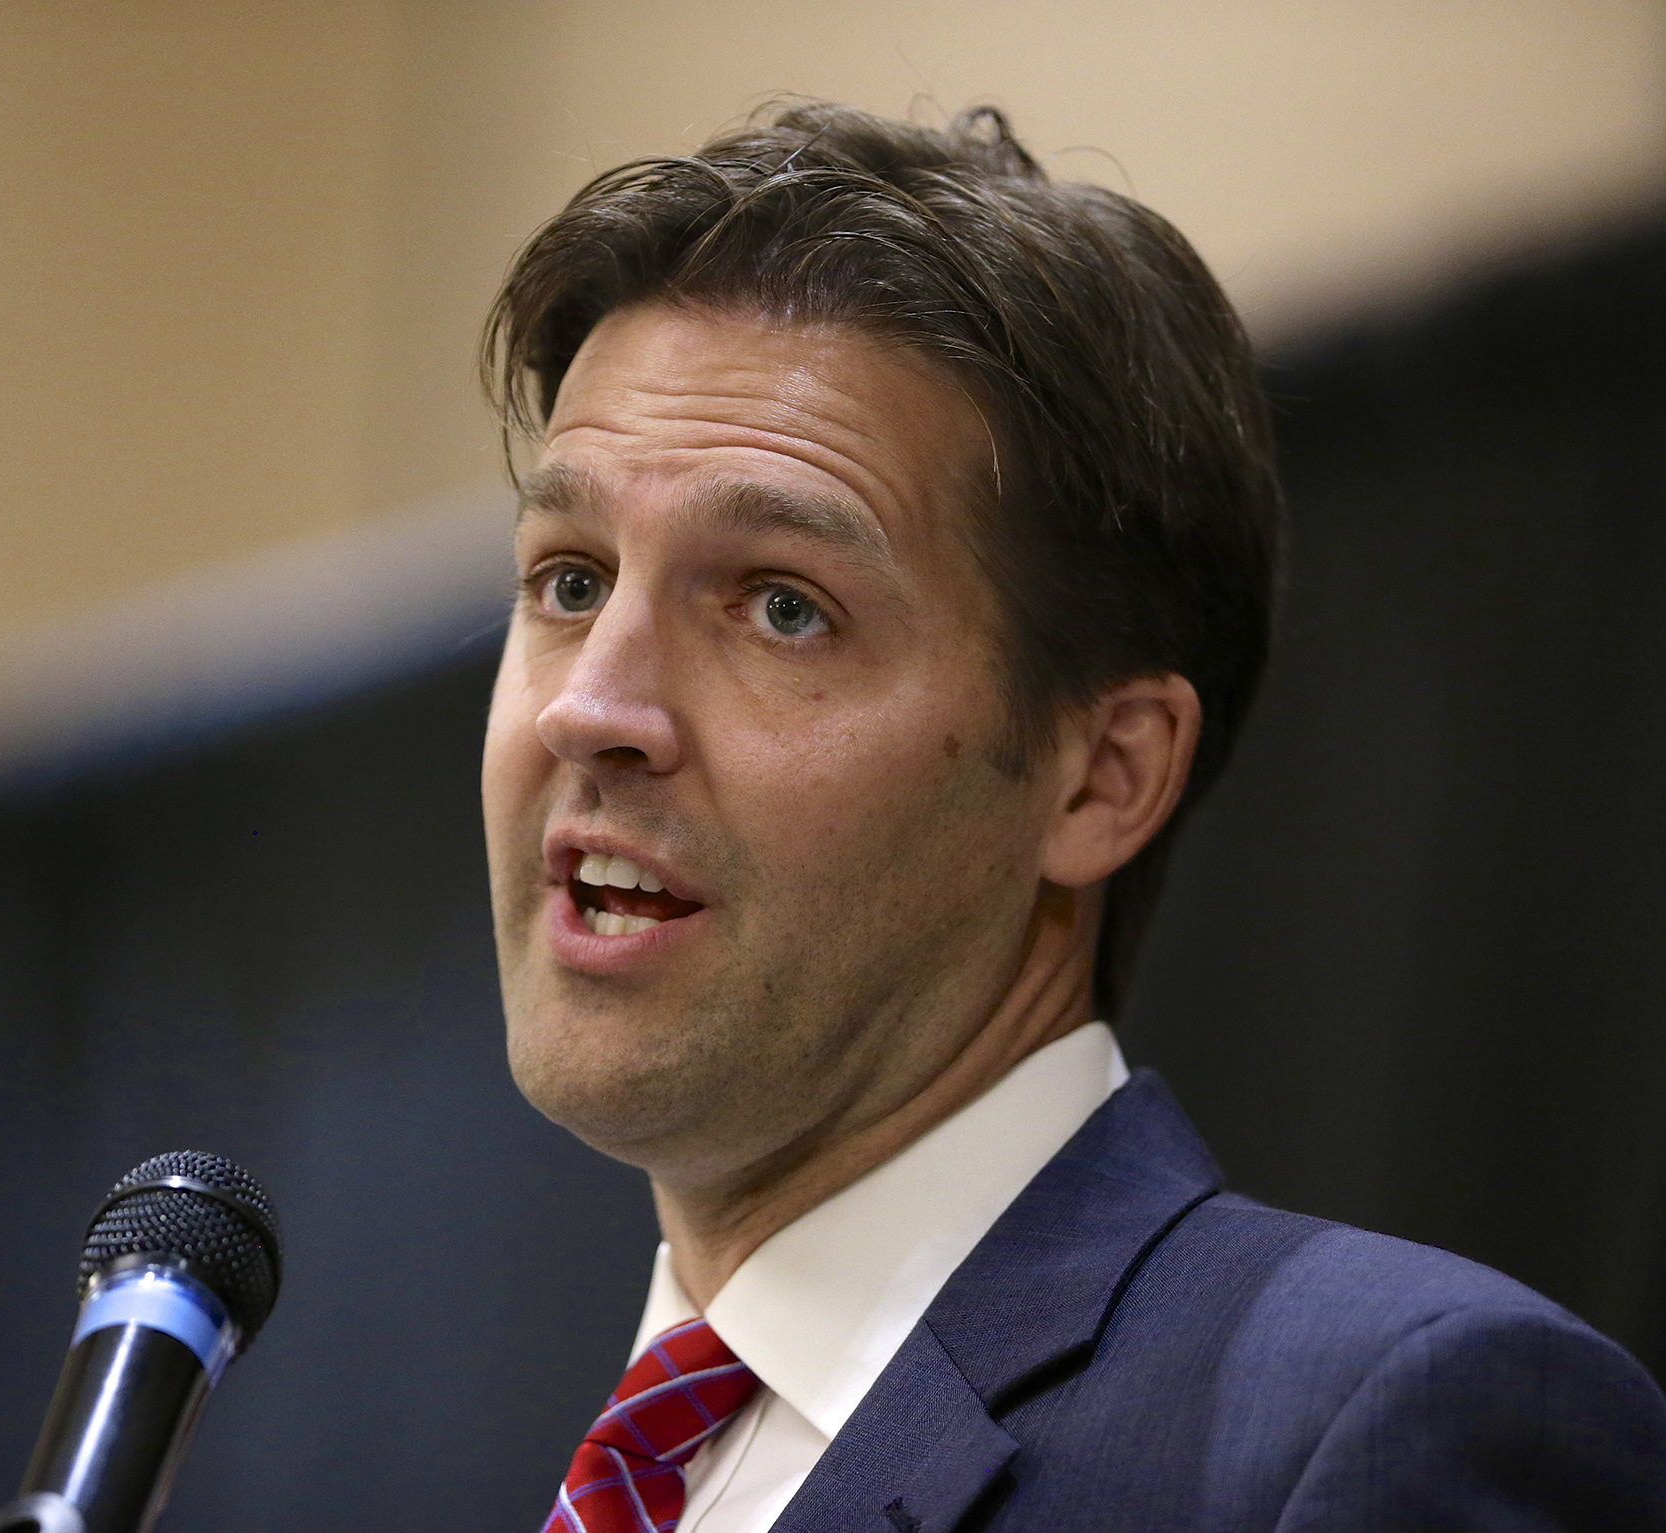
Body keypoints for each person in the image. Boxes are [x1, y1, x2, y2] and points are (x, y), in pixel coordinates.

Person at [477, 99, 1666, 1533]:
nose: (590, 708)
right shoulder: (608, 1469)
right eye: (571, 580)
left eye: (783, 607)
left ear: (1103, 776)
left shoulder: (1381, 1427)